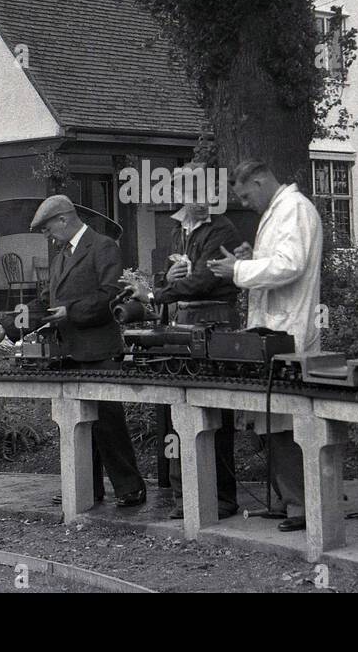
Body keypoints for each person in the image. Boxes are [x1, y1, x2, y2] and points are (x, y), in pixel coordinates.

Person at [207, 159, 322, 532]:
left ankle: (301, 506)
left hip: (289, 333)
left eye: (244, 195)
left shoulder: (294, 210)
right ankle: (290, 500)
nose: (245, 203)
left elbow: (290, 266)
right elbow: (276, 263)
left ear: (259, 181)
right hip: (272, 332)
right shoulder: (278, 211)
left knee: (284, 425)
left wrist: (238, 272)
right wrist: (250, 260)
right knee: (271, 423)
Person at [32, 194, 146, 508]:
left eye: (47, 228)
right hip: (69, 351)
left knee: (109, 422)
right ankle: (84, 485)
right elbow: (45, 301)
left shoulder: (103, 246)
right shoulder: (61, 258)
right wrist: (7, 324)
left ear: (63, 219)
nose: (46, 235)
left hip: (100, 350)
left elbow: (111, 295)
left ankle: (130, 487)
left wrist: (71, 311)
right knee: (76, 423)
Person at [151, 164, 242, 520]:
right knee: (179, 410)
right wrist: (166, 279)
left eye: (201, 192)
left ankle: (221, 497)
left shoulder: (222, 228)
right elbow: (176, 276)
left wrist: (160, 291)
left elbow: (205, 279)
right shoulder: (177, 230)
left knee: (214, 409)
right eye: (188, 192)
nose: (197, 199)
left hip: (216, 320)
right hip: (184, 319)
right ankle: (183, 495)